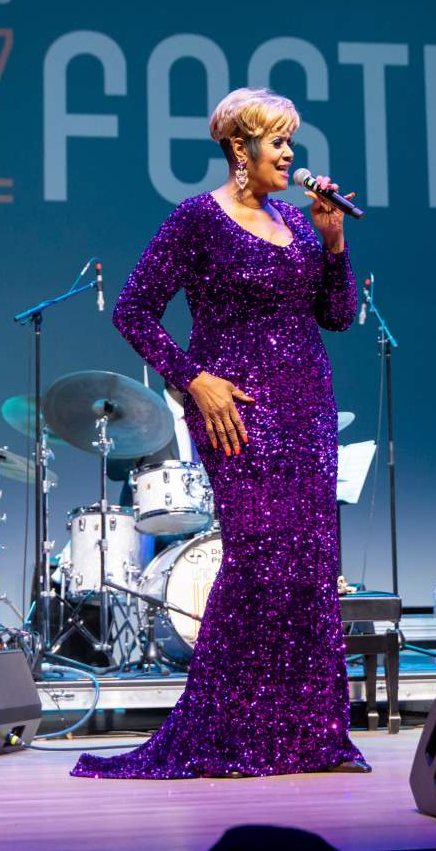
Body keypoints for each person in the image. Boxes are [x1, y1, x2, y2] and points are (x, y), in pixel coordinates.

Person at [72, 87, 368, 779]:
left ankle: (312, 735)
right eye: (278, 142)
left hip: (307, 410)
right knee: (261, 561)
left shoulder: (298, 222)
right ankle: (230, 731)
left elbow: (338, 315)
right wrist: (191, 379)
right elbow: (134, 308)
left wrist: (334, 244)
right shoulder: (197, 220)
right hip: (235, 410)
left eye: (292, 142)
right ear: (241, 148)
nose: (291, 154)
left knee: (309, 567)